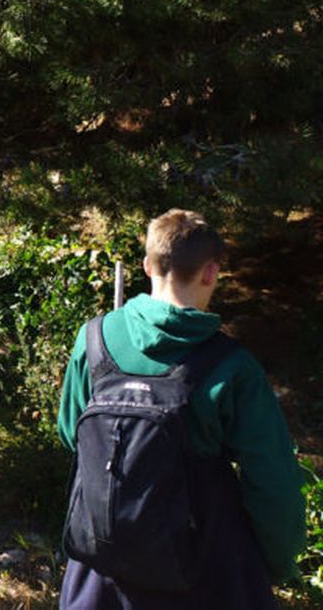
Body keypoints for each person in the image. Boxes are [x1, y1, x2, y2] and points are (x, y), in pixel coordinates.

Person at [57, 209, 305, 609]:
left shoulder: (93, 340)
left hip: (100, 573)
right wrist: (276, 562)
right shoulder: (233, 366)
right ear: (211, 273)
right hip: (202, 575)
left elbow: (73, 433)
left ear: (146, 265)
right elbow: (272, 478)